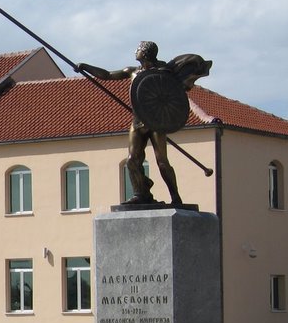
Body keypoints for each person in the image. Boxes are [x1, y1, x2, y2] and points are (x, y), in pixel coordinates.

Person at [78, 41, 211, 205]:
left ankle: (175, 197)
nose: (136, 51)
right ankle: (141, 193)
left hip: (156, 122)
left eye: (139, 49)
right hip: (138, 121)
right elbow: (107, 75)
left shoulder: (164, 72)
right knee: (132, 160)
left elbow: (171, 93)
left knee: (162, 161)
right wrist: (85, 67)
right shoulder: (132, 71)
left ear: (146, 53)